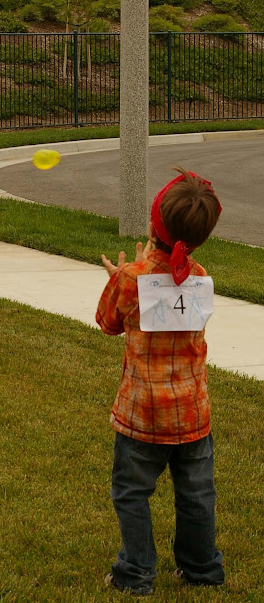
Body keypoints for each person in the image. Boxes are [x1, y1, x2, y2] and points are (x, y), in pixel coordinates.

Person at [96, 167, 225, 596]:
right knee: (196, 495)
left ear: (154, 224)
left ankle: (135, 573)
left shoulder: (132, 279)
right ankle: (202, 568)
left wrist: (119, 275)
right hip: (192, 415)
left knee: (132, 492)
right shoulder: (203, 278)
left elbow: (108, 323)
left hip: (142, 416)